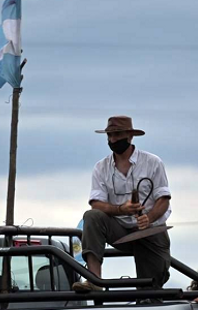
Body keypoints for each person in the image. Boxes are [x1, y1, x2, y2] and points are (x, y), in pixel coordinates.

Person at [73, 116, 172, 292]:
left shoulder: (152, 162)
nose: (112, 140)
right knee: (92, 216)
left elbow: (163, 200)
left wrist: (148, 218)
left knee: (151, 288)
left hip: (150, 231)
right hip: (120, 233)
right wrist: (121, 209)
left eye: (117, 135)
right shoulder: (101, 167)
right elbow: (96, 204)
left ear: (130, 136)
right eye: (109, 136)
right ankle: (94, 279)